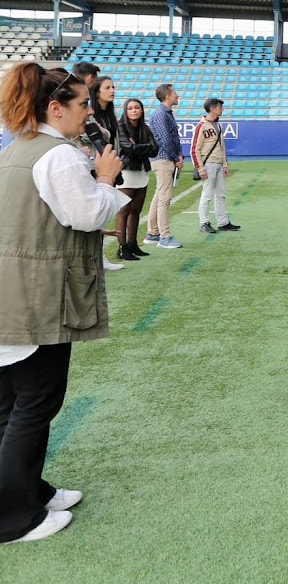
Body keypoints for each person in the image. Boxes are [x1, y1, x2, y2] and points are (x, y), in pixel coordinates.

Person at [0, 63, 128, 544]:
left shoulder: (17, 150)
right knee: (33, 405)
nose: (88, 112)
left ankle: (27, 491)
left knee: (12, 405)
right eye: (81, 104)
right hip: (38, 298)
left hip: (13, 294)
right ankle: (14, 517)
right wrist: (107, 179)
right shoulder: (59, 156)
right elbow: (87, 214)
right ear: (56, 108)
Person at [88, 78, 124, 271]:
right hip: (94, 167)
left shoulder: (111, 115)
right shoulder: (91, 115)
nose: (112, 90)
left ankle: (99, 257)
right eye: (107, 87)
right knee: (95, 212)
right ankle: (97, 257)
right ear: (97, 91)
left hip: (109, 165)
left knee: (102, 213)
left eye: (113, 87)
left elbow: (114, 141)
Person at [114, 98, 157, 260]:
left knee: (136, 210)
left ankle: (133, 244)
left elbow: (155, 149)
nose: (134, 110)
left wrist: (141, 148)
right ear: (126, 111)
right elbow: (129, 148)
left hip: (141, 171)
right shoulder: (120, 127)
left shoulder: (145, 128)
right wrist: (144, 148)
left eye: (137, 107)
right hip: (127, 171)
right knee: (124, 211)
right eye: (130, 108)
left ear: (141, 110)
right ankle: (122, 247)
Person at [143, 83, 184, 249]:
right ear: (167, 96)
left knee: (159, 195)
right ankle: (164, 236)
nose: (177, 95)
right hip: (164, 159)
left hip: (164, 158)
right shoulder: (161, 114)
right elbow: (165, 140)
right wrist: (175, 158)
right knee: (165, 198)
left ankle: (153, 232)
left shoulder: (165, 113)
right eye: (175, 93)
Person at [191, 99, 239, 234]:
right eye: (219, 107)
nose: (222, 109)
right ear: (212, 109)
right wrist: (200, 167)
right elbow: (195, 149)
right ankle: (204, 222)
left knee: (221, 194)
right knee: (207, 194)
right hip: (208, 164)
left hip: (217, 163)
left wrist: (225, 164)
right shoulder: (202, 126)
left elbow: (222, 147)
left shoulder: (218, 125)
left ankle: (222, 221)